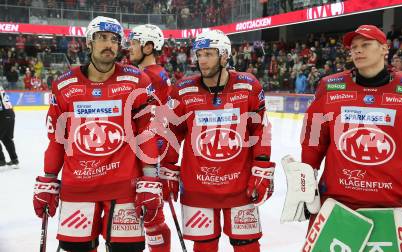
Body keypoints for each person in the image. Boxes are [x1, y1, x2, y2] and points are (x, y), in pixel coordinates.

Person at [296, 25, 402, 251]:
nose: (358, 51)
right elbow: (314, 137)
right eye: (354, 47)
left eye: (366, 45)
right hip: (337, 205)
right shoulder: (329, 87)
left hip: (394, 208)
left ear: (385, 49)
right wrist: (305, 177)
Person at [32, 16, 161, 252]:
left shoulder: (136, 80)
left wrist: (150, 178)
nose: (109, 44)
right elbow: (56, 140)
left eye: (114, 39)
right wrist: (49, 179)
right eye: (102, 38)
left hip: (125, 189)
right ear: (89, 42)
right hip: (78, 189)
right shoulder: (64, 85)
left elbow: (148, 133)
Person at [158, 29, 274, 252]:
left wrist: (262, 167)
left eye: (208, 54)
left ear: (224, 55)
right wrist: (169, 168)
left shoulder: (248, 86)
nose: (201, 60)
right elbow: (170, 130)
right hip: (197, 187)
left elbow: (260, 129)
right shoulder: (182, 89)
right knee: (204, 246)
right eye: (199, 54)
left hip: (240, 187)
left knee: (247, 245)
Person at [128, 23, 172, 252]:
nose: (130, 48)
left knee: (151, 218)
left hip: (146, 156)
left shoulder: (147, 76)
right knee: (151, 217)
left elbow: (151, 121)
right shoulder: (159, 73)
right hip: (152, 153)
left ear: (148, 47)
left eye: (134, 43)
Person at [0, 85, 19, 168]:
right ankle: (14, 161)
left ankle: (1, 161)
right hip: (10, 113)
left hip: (3, 114)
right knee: (6, 138)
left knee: (6, 138)